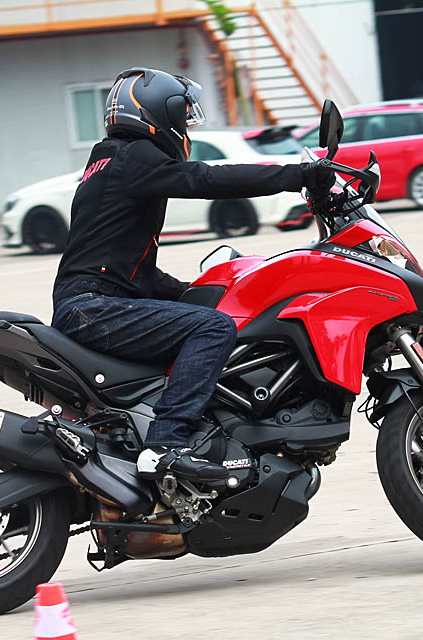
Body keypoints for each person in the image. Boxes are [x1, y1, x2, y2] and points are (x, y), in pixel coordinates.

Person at [51, 67, 336, 482]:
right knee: (214, 328)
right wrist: (297, 175)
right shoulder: (134, 156)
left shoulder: (110, 160)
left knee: (205, 318)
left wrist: (197, 290)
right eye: (181, 118)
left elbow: (130, 270)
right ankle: (164, 445)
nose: (184, 129)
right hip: (95, 308)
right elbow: (204, 179)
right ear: (156, 114)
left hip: (92, 303)